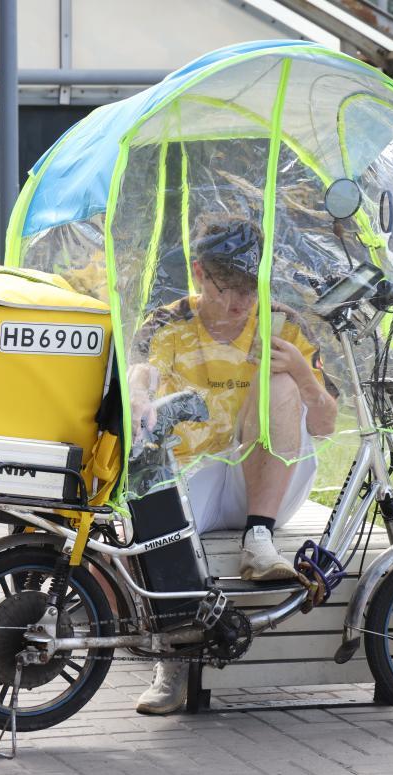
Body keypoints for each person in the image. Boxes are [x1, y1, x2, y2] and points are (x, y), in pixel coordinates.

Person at [129, 218, 338, 715]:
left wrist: (306, 379)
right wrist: (138, 388)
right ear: (199, 273)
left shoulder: (284, 323)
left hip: (266, 480)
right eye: (228, 289)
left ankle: (258, 540)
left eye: (251, 287)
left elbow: (327, 425)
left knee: (282, 384)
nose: (241, 303)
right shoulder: (167, 323)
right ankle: (173, 660)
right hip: (194, 475)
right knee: (154, 524)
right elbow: (142, 372)